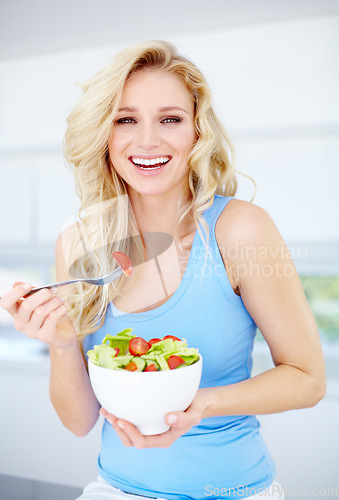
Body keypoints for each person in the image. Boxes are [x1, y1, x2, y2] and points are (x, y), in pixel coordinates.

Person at [0, 40, 326, 500]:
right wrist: (60, 343)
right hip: (116, 489)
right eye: (125, 119)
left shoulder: (240, 231)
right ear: (104, 134)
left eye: (170, 119)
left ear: (197, 132)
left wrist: (200, 405)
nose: (148, 140)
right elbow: (78, 422)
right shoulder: (79, 242)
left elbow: (308, 379)